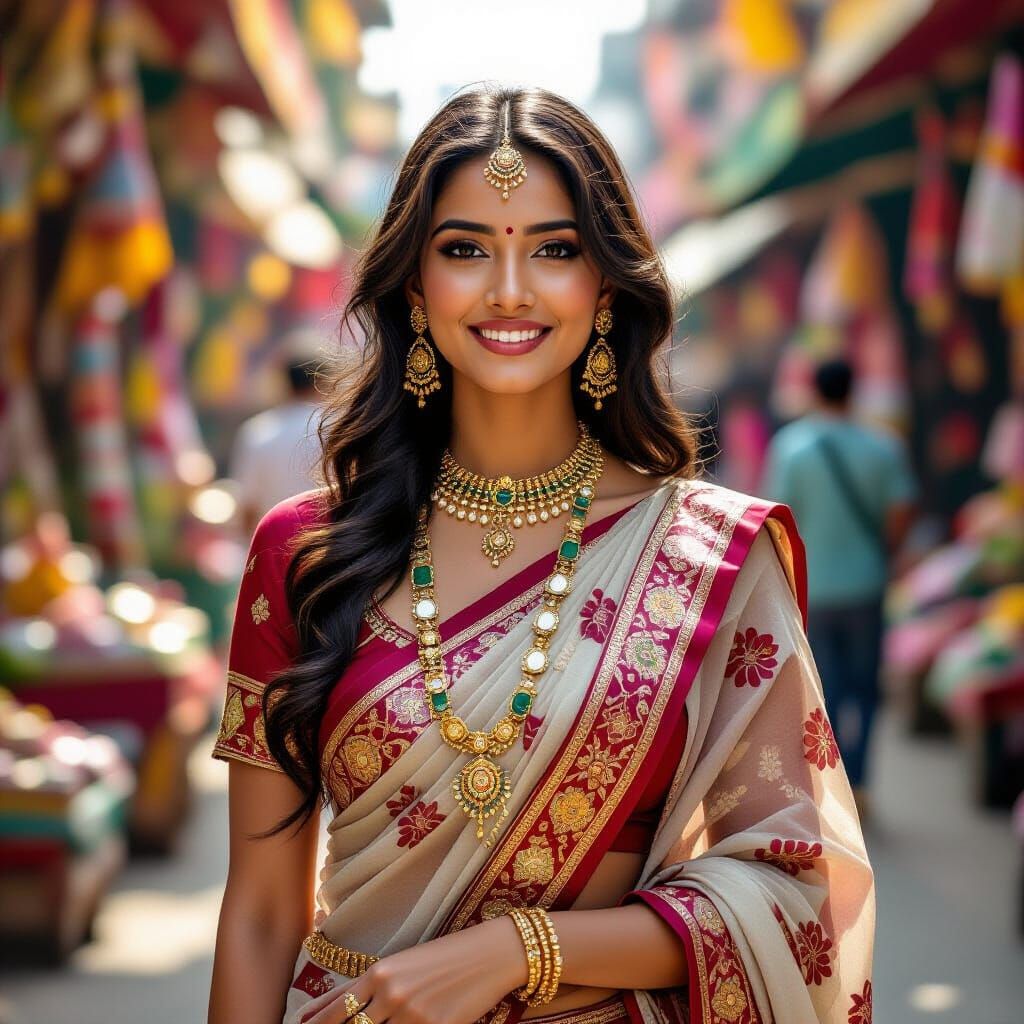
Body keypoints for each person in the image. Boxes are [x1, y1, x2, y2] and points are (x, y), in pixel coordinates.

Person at [209, 87, 874, 1024]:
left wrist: (521, 951)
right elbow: (262, 913)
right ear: (413, 284)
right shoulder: (306, 551)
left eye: (555, 250)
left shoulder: (709, 557)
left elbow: (796, 890)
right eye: (466, 248)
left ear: (606, 284)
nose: (510, 288)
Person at [763, 358, 917, 816]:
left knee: (822, 687)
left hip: (813, 589)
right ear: (855, 391)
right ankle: (862, 781)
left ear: (813, 391)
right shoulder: (882, 446)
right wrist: (883, 551)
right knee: (866, 688)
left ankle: (831, 788)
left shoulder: (791, 448)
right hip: (867, 583)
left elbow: (777, 519)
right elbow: (900, 511)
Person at [230, 349, 323, 537]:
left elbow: (247, 507)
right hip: (328, 550)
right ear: (322, 381)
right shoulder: (340, 429)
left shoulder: (258, 431)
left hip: (274, 548)